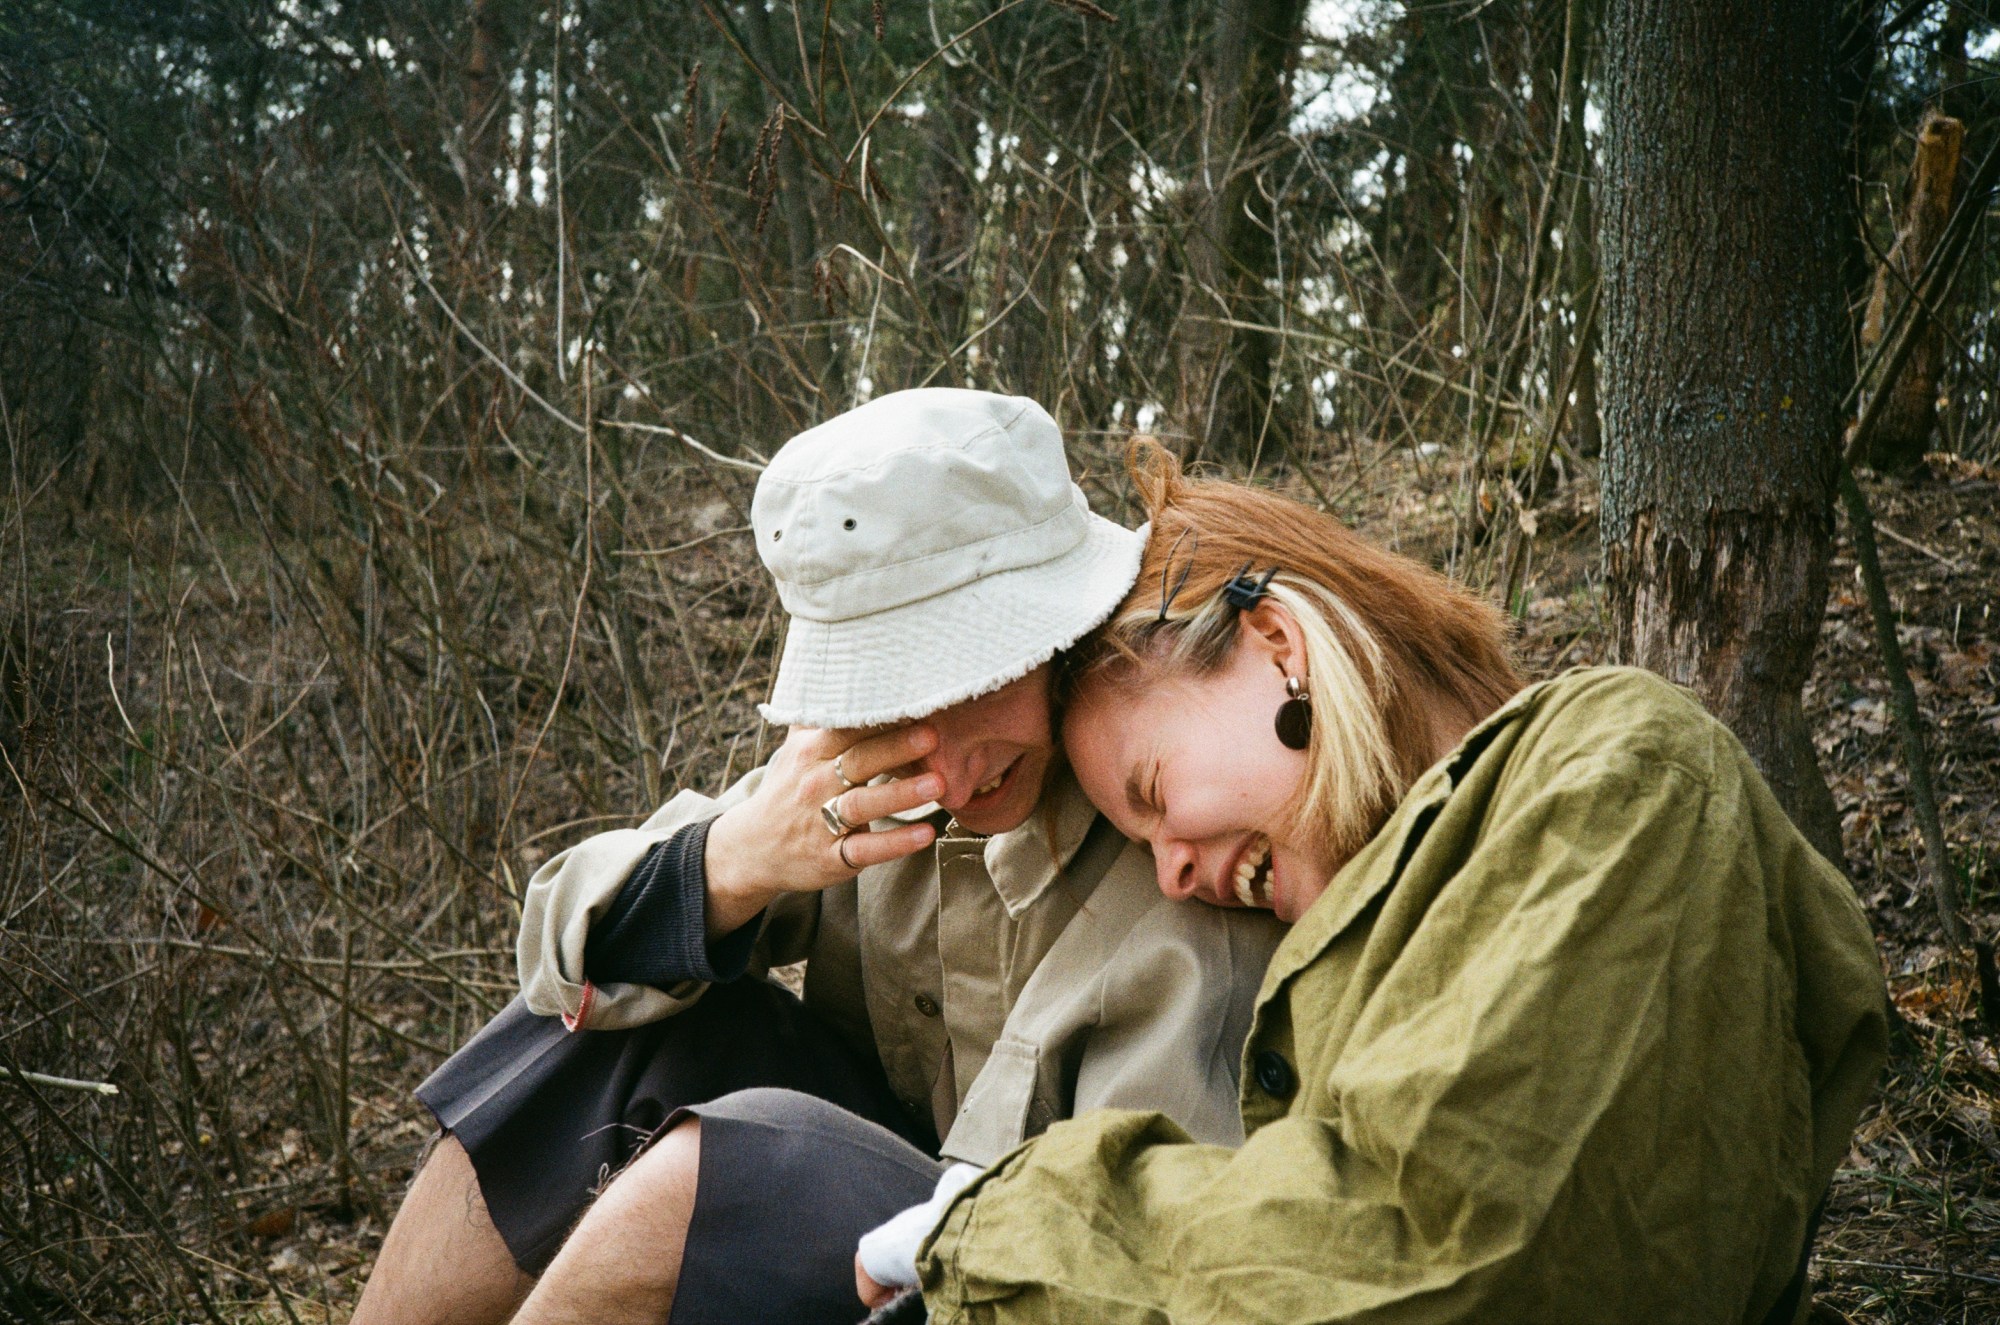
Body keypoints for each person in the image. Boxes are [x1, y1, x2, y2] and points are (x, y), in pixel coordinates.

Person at [857, 442, 1889, 1323]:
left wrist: (995, 1232)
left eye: (1154, 789)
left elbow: (1449, 1249)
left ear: (1273, 644)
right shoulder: (1389, 898)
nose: (1169, 871)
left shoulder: (1618, 766)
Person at [350, 394, 1284, 1325]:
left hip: (1016, 1271)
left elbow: (1133, 1246)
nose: (952, 772)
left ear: (1060, 629)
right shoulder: (869, 777)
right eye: (897, 705)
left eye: (977, 682)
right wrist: (735, 860)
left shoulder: (1183, 834)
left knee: (722, 1171)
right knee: (606, 1030)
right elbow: (562, 952)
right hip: (882, 1205)